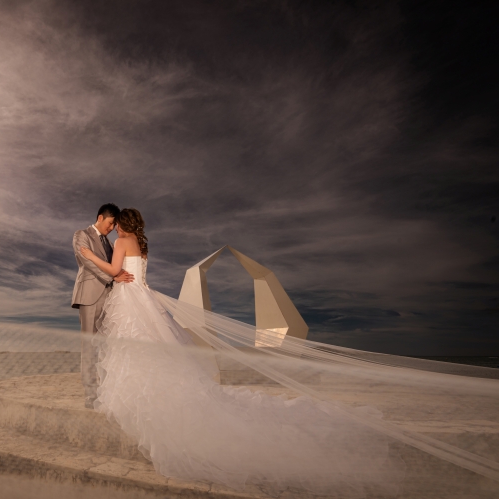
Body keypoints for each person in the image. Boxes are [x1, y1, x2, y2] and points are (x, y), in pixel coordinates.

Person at [79, 208, 401, 495]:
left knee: (133, 350)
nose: (116, 228)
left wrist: (91, 257)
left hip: (130, 300)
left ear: (123, 224)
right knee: (152, 350)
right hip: (143, 298)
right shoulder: (143, 246)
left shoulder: (122, 242)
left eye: (117, 224)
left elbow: (113, 271)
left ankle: (132, 396)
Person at [72, 203, 133, 408]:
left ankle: (107, 395)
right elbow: (87, 261)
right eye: (110, 222)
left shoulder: (110, 242)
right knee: (89, 348)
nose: (112, 227)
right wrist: (113, 277)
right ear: (100, 218)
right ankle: (91, 398)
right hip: (90, 296)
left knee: (108, 348)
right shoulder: (82, 235)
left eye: (115, 223)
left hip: (111, 300)